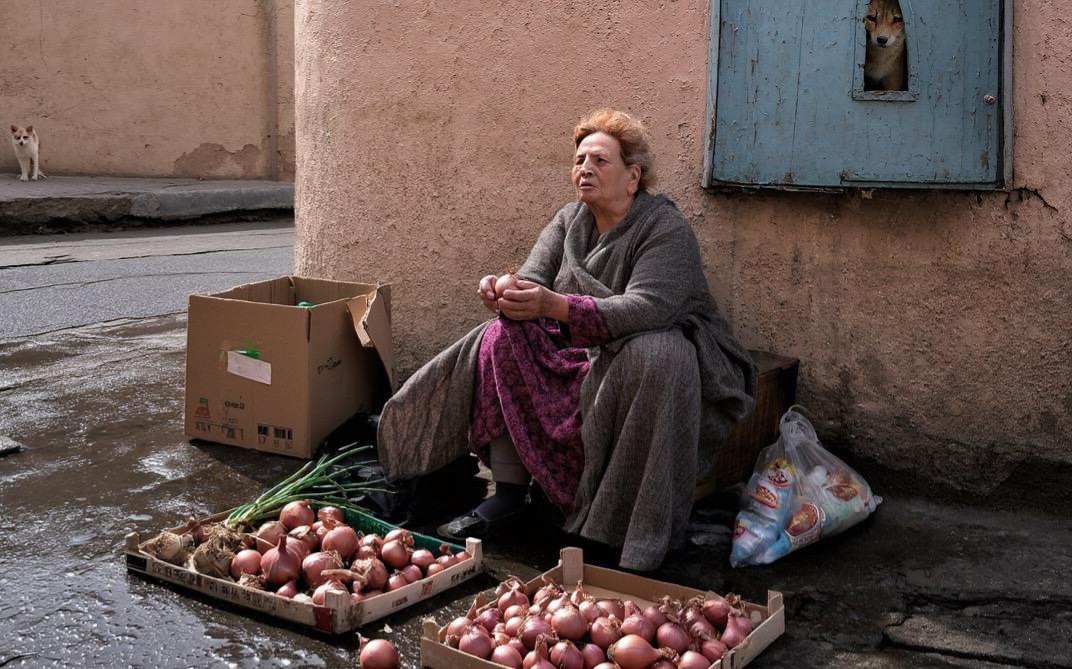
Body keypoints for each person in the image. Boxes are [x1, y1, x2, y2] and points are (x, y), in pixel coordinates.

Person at [377, 109, 756, 570]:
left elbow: (651, 308)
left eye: (600, 160)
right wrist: (502, 289)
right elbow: (533, 278)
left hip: (647, 344)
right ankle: (511, 492)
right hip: (579, 344)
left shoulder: (665, 229)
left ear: (632, 176)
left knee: (658, 354)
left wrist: (555, 306)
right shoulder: (568, 220)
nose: (585, 169)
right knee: (503, 334)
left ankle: (626, 529)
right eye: (579, 160)